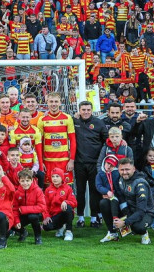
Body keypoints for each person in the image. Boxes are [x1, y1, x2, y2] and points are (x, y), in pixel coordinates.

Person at [99, 158, 154, 245]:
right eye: (122, 170)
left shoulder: (140, 184)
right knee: (104, 203)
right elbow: (120, 196)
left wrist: (125, 222)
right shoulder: (121, 179)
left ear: (134, 169)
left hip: (145, 212)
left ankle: (144, 233)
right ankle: (112, 233)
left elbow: (141, 210)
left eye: (127, 169)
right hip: (129, 209)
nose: (124, 172)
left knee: (137, 227)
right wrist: (111, 196)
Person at [73, 100, 107, 228]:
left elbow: (106, 140)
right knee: (80, 191)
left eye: (88, 110)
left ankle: (94, 218)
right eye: (83, 110)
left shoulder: (98, 123)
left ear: (91, 110)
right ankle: (80, 217)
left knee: (94, 191)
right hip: (79, 163)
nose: (86, 112)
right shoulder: (74, 121)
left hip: (94, 163)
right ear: (79, 110)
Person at [36, 92, 76, 185]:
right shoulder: (42, 119)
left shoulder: (67, 118)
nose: (53, 104)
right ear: (47, 103)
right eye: (51, 102)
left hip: (64, 161)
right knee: (48, 190)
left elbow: (73, 140)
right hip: (48, 161)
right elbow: (39, 143)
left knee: (66, 189)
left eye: (56, 101)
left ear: (60, 103)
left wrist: (71, 160)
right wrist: (41, 162)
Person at [13, 169, 48, 245]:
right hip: (23, 214)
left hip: (37, 214)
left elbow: (42, 207)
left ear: (32, 180)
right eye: (22, 181)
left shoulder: (38, 191)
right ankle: (23, 232)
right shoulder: (17, 193)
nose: (25, 183)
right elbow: (15, 208)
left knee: (32, 216)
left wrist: (24, 209)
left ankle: (38, 236)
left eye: (27, 181)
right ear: (19, 181)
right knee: (11, 221)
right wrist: (16, 221)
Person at [42, 168, 77, 241]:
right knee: (46, 227)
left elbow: (74, 203)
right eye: (53, 176)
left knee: (68, 208)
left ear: (62, 177)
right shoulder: (48, 190)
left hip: (65, 213)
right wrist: (46, 216)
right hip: (54, 215)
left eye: (57, 176)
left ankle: (69, 231)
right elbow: (45, 205)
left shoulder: (68, 188)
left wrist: (66, 202)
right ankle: (60, 227)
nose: (55, 179)